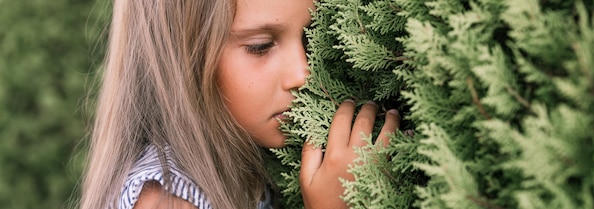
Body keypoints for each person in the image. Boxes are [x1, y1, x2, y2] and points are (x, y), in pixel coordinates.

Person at [80, 0, 401, 208]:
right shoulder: (165, 199)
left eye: (308, 38)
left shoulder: (245, 168)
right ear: (182, 59)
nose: (302, 73)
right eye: (260, 46)